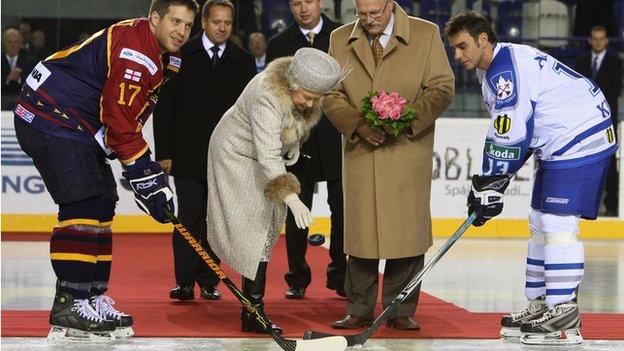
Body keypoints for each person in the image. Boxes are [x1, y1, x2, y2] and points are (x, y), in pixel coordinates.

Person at [13, 0, 198, 343]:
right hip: (49, 114)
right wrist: (145, 174)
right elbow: (119, 118)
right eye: (175, 21)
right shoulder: (137, 52)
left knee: (102, 201)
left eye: (188, 25)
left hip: (74, 121)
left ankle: (91, 298)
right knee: (82, 202)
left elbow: (131, 113)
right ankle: (70, 303)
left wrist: (143, 177)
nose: (181, 32)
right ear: (154, 18)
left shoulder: (166, 56)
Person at [445, 11, 617, 345]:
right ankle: (541, 304)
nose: (457, 55)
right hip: (559, 142)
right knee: (539, 220)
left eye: (462, 46)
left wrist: (488, 183)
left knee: (557, 224)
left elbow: (508, 137)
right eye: (454, 48)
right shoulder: (495, 66)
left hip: (580, 138)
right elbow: (515, 130)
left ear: (483, 40)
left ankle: (564, 316)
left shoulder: (503, 72)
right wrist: (491, 183)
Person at [323, 0, 455, 330]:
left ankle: (401, 310)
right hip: (361, 152)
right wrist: (357, 124)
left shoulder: (426, 34)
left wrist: (407, 119)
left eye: (375, 14)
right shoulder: (339, 39)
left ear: (390, 6)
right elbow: (330, 93)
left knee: (406, 235)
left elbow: (442, 87)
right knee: (361, 236)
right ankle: (359, 308)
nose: (368, 21)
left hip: (408, 150)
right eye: (362, 14)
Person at [206, 47, 347, 334]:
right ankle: (254, 311)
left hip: (262, 155)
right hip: (235, 153)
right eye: (306, 97)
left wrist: (292, 148)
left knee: (268, 223)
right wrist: (293, 199)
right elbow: (268, 155)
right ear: (292, 85)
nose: (309, 104)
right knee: (256, 224)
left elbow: (292, 126)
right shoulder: (267, 95)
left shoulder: (304, 94)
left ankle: (252, 309)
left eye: (315, 99)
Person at [153, 0, 256, 301]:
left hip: (227, 158)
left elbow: (249, 112)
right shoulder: (179, 55)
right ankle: (184, 282)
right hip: (185, 155)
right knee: (188, 218)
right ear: (204, 23)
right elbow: (165, 107)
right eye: (216, 22)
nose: (222, 28)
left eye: (227, 23)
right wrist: (165, 152)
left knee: (216, 220)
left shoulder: (244, 61)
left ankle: (209, 279)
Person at [265, 0, 346, 300]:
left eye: (309, 0)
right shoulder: (279, 44)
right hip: (298, 140)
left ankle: (340, 275)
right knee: (297, 211)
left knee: (343, 211)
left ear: (321, 1)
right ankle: (297, 276)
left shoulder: (342, 36)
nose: (303, 8)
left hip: (337, 137)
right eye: (296, 2)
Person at [576, 25, 623, 217]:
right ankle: (582, 201)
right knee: (583, 159)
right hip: (584, 120)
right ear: (590, 40)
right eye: (594, 38)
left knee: (610, 161)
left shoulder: (616, 63)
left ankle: (611, 203)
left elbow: (615, 91)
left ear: (606, 41)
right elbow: (577, 90)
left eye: (601, 38)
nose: (598, 42)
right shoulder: (582, 62)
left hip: (606, 119)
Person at [1, 28, 35, 110]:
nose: (13, 45)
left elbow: (34, 86)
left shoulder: (30, 61)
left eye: (16, 42)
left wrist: (19, 78)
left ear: (21, 44)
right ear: (3, 44)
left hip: (23, 103)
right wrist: (8, 79)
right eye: (9, 42)